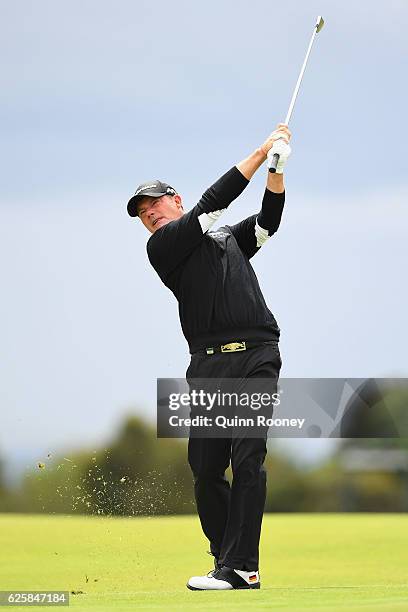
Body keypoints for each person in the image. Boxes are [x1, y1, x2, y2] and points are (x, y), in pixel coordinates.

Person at [127, 124, 291, 590]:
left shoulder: (226, 242)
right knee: (204, 469)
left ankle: (242, 566)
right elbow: (213, 204)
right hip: (207, 366)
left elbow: (266, 223)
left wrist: (276, 170)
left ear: (173, 200)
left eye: (154, 204)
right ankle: (226, 559)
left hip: (258, 355)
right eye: (142, 212)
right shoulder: (163, 248)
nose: (149, 214)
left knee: (247, 457)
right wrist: (261, 151)